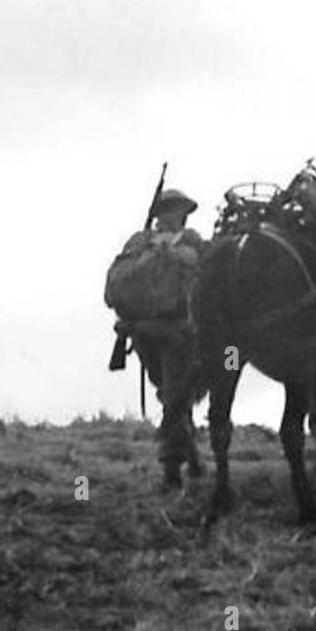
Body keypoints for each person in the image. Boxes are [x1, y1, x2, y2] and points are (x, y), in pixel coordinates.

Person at [107, 188, 208, 490]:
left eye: (175, 210)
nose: (171, 216)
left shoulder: (192, 242)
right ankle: (190, 455)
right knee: (169, 394)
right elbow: (118, 278)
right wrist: (151, 255)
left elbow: (202, 264)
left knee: (175, 397)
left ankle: (171, 467)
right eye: (166, 210)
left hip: (181, 332)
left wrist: (172, 253)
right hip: (146, 331)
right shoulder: (138, 242)